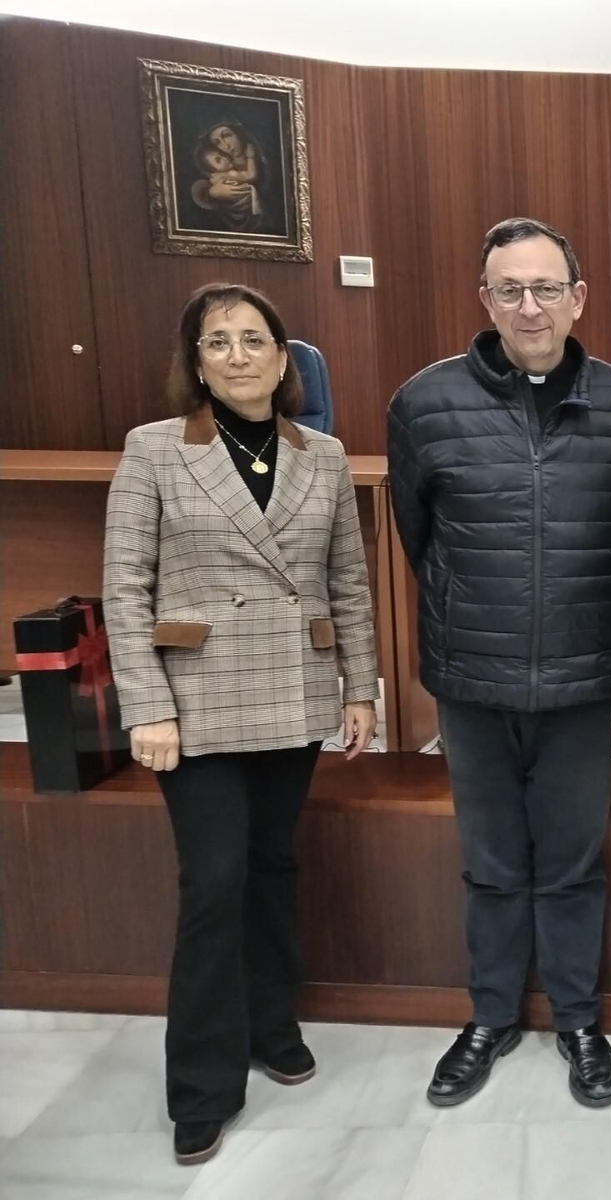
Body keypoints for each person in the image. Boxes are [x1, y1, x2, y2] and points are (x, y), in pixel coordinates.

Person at [103, 282, 378, 1166]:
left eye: (253, 338)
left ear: (284, 356)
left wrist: (360, 687)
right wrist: (144, 705)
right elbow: (125, 587)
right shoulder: (154, 451)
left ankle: (272, 1024)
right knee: (212, 884)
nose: (236, 355)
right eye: (215, 342)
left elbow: (348, 579)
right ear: (194, 362)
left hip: (292, 690)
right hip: (196, 701)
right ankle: (202, 1085)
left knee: (270, 866)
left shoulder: (321, 453)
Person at [387, 217, 611, 1111]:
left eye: (548, 288)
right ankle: (491, 1017)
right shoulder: (424, 404)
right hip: (472, 678)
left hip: (582, 679)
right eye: (511, 289)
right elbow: (419, 539)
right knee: (493, 863)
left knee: (574, 863)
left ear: (579, 299)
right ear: (486, 300)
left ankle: (578, 1020)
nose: (530, 306)